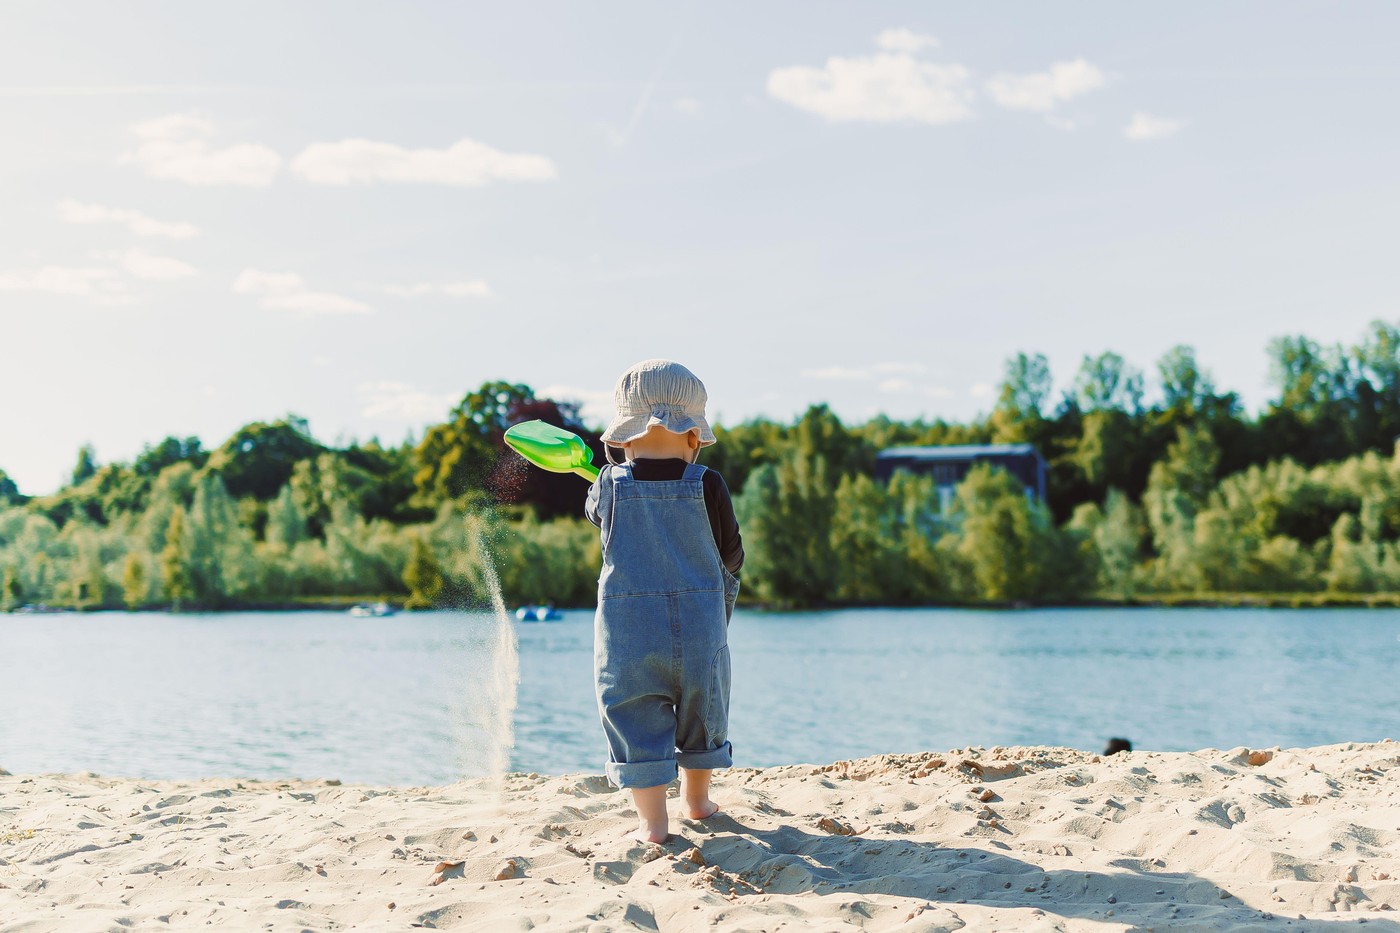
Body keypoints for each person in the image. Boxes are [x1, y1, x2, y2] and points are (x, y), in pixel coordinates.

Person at [584, 359, 744, 843]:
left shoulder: (608, 485)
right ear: (694, 437)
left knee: (634, 717)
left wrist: (602, 481)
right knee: (704, 714)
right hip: (700, 629)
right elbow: (732, 553)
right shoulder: (708, 483)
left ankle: (653, 823)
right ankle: (697, 802)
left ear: (623, 438)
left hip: (628, 636)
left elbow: (597, 518)